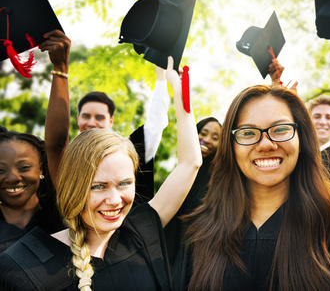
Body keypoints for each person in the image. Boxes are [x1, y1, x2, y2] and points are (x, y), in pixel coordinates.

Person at [0, 56, 202, 290]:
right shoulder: (22, 269)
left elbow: (190, 163)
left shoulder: (140, 231)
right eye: (98, 186)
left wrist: (176, 86)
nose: (115, 200)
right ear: (73, 188)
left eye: (125, 183)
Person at [181, 85, 330, 291]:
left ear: (302, 139)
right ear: (231, 145)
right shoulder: (199, 231)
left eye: (280, 129)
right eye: (248, 132)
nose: (265, 144)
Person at [42, 30, 169, 203]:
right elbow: (56, 144)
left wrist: (162, 76)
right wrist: (60, 68)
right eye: (86, 116)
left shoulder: (131, 152)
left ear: (111, 121)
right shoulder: (71, 162)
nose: (92, 123)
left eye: (99, 117)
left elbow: (156, 123)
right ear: (78, 119)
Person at [164, 117, 222, 290]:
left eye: (215, 137)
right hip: (176, 251)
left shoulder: (219, 180)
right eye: (203, 133)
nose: (206, 140)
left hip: (205, 253)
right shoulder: (182, 172)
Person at [0, 132, 63, 253]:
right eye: (0, 170)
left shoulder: (60, 217)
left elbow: (57, 144)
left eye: (24, 167)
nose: (13, 178)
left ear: (40, 169)